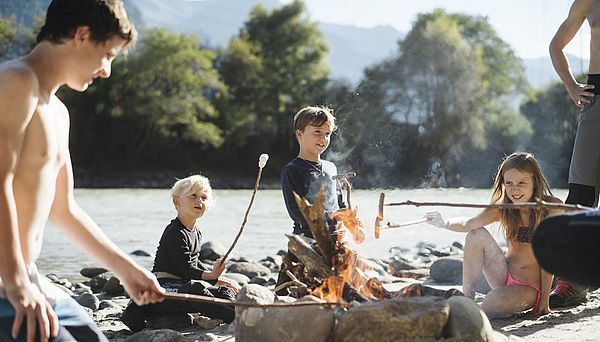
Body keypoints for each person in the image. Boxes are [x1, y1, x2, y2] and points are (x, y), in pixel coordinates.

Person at [0, 1, 165, 341]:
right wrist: (16, 284)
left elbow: (63, 209)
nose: (106, 71)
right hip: (9, 281)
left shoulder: (59, 113)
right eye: (108, 55)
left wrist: (126, 269)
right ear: (82, 34)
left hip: (26, 276)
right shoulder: (16, 82)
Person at [424, 152, 563, 318]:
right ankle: (467, 299)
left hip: (530, 288)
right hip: (503, 273)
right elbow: (468, 223)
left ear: (535, 182)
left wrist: (544, 301)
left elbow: (550, 257)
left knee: (491, 303)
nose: (514, 189)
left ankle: (473, 310)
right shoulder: (504, 208)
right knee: (476, 233)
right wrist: (444, 222)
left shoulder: (552, 207)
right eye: (509, 183)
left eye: (521, 183)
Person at [121, 175, 236, 332]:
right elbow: (186, 269)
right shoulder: (175, 231)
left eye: (204, 197)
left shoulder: (196, 232)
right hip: (163, 288)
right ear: (177, 201)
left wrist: (215, 279)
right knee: (195, 289)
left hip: (182, 287)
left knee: (224, 290)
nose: (199, 201)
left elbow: (194, 262)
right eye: (193, 196)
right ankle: (236, 318)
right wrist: (209, 276)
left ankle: (238, 310)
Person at [547, 0, 600, 307]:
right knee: (580, 195)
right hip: (596, 101)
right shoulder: (587, 2)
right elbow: (556, 45)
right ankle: (572, 280)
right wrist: (570, 85)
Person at [275, 106, 352, 295]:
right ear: (299, 134)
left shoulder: (330, 167)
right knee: (286, 294)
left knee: (340, 290)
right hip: (305, 243)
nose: (323, 138)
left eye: (327, 133)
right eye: (317, 132)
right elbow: (297, 212)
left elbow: (339, 203)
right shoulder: (293, 170)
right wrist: (332, 216)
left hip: (335, 242)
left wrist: (350, 219)